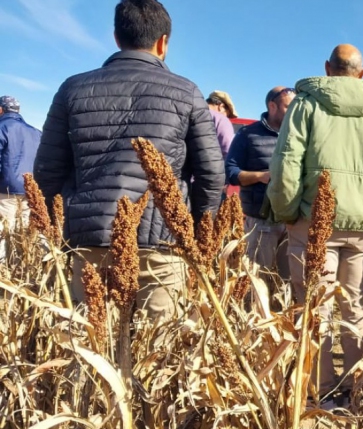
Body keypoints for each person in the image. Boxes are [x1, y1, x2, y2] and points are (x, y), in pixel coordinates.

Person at [33, 0, 224, 320]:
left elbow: (47, 170)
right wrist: (199, 237)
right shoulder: (187, 91)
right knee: (159, 353)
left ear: (116, 37)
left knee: (96, 346)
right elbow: (211, 173)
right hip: (162, 245)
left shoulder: (73, 88)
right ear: (163, 42)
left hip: (92, 242)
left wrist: (58, 226)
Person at [266, 44, 363, 402]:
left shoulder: (305, 103)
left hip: (313, 221)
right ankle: (356, 385)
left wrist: (286, 210)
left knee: (317, 307)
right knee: (356, 305)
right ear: (361, 74)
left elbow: (286, 163)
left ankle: (321, 389)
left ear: (328, 69)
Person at [225, 86, 295, 277]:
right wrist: (261, 176)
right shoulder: (248, 134)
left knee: (290, 282)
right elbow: (231, 173)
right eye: (288, 107)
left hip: (292, 221)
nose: (294, 112)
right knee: (257, 279)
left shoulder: (299, 136)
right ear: (272, 106)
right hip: (261, 221)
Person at [0, 95, 41, 249]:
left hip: (5, 190)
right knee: (22, 233)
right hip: (29, 189)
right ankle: (19, 268)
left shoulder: (2, 128)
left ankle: (3, 269)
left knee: (4, 232)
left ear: (1, 109)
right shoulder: (35, 132)